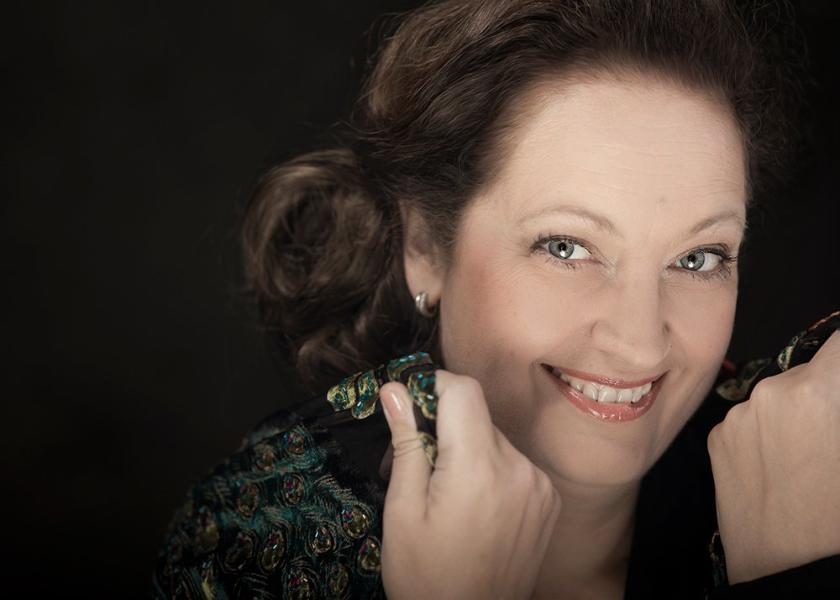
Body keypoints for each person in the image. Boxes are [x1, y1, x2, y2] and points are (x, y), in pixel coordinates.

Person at [152, 0, 840, 598]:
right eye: (565, 247)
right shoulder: (254, 549)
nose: (640, 342)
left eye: (698, 258)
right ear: (425, 245)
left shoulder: (820, 502)